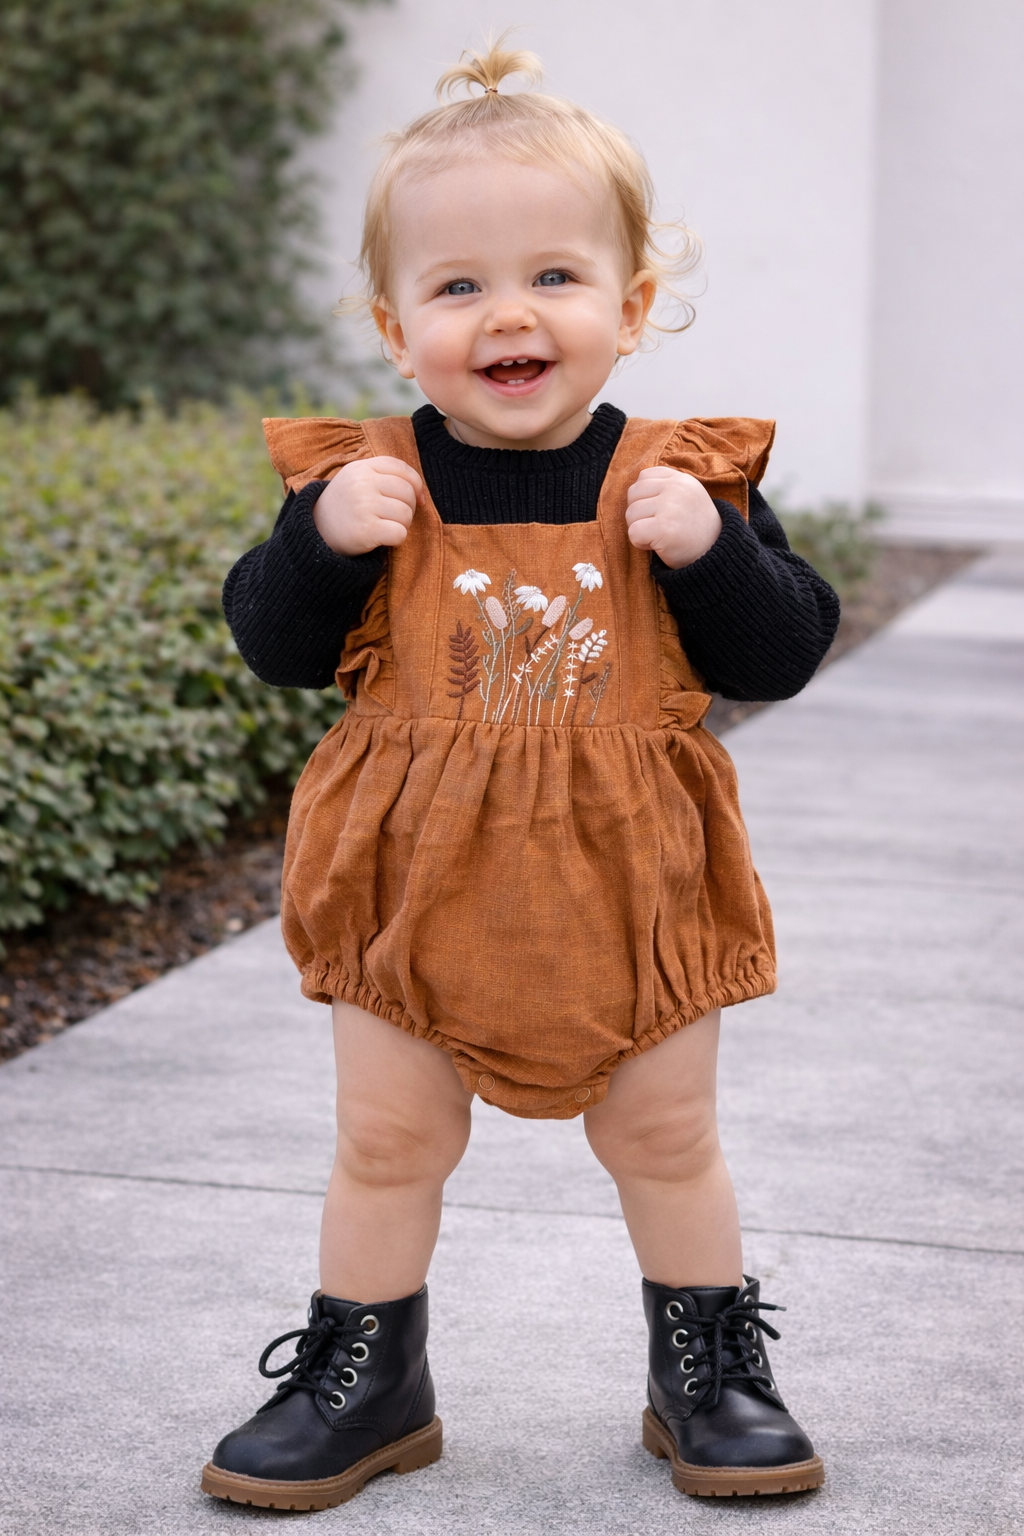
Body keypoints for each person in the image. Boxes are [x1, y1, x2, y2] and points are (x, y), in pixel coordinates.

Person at [202, 40, 838, 1511]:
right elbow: (275, 646)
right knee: (385, 1137)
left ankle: (709, 1371)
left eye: (555, 276)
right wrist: (316, 542)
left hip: (633, 888)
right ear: (393, 322)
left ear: (632, 306)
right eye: (458, 285)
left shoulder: (685, 480)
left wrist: (715, 551)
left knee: (666, 1131)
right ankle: (369, 1380)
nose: (510, 314)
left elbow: (784, 651)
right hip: (411, 888)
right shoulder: (361, 483)